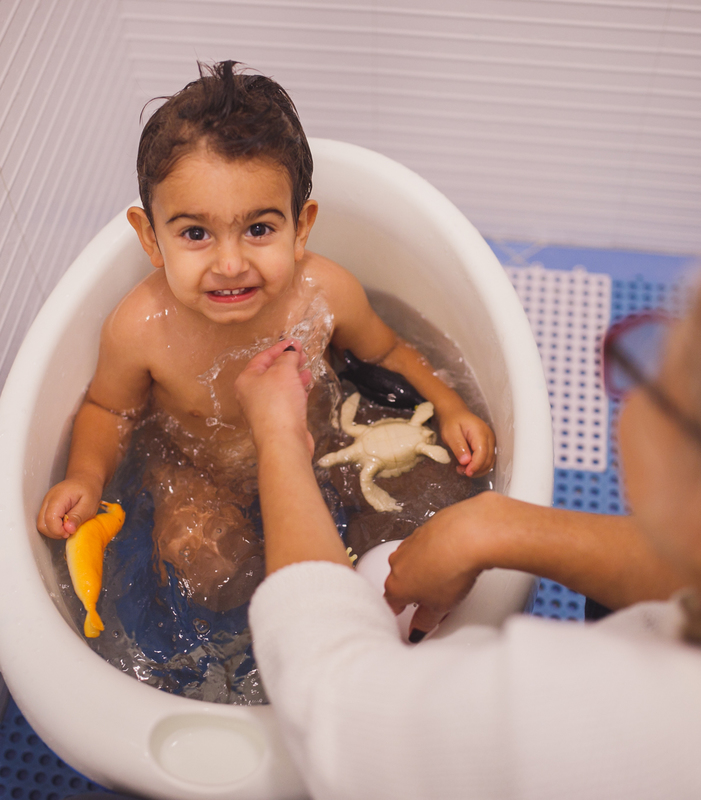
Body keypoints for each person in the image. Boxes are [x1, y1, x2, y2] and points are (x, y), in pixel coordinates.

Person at [236, 205, 701, 799]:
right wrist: (493, 525)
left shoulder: (613, 732)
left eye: (662, 366)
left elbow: (332, 699)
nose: (636, 378)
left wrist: (278, 437)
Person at [35, 61, 494, 611]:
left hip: (322, 444)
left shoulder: (324, 291)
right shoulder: (139, 329)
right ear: (151, 238)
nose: (230, 264)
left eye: (258, 229)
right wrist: (86, 474)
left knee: (416, 508)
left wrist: (447, 405)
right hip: (197, 471)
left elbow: (387, 350)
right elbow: (109, 411)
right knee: (204, 566)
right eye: (196, 233)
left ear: (300, 227)